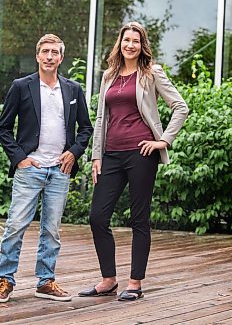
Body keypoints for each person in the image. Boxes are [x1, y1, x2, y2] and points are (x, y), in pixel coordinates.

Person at [78, 22, 188, 301]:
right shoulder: (108, 76)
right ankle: (108, 279)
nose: (130, 45)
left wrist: (163, 140)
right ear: (120, 43)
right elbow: (102, 118)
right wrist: (96, 155)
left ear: (142, 46)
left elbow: (180, 107)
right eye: (126, 40)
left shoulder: (152, 73)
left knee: (139, 218)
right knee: (97, 217)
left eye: (136, 41)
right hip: (111, 155)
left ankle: (135, 283)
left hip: (141, 154)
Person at [0, 33, 93, 303]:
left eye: (55, 52)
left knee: (52, 229)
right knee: (15, 225)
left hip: (60, 171)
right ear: (37, 55)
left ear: (61, 58)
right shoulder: (21, 86)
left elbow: (86, 128)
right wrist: (20, 158)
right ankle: (5, 281)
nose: (49, 56)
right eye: (45, 51)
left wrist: (73, 153)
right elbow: (3, 128)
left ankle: (45, 282)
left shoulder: (73, 90)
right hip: (30, 169)